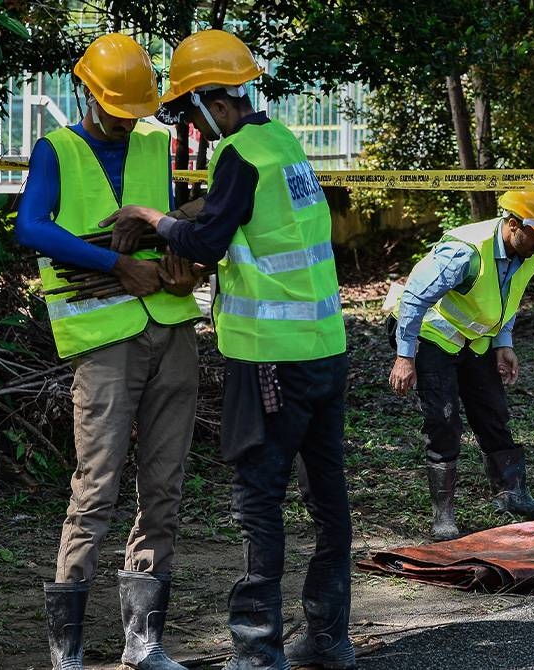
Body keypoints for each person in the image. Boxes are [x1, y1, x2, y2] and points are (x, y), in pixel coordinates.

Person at [99, 30, 355, 670]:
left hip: (269, 357)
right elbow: (240, 218)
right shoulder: (283, 144)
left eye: (190, 109)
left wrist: (151, 219)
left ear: (214, 98)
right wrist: (185, 217)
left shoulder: (239, 152)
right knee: (328, 496)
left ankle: (256, 649)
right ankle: (328, 638)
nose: (192, 123)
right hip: (326, 349)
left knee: (258, 501)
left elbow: (210, 238)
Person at [14, 34, 202, 670]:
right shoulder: (57, 149)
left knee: (165, 487)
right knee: (95, 487)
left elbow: (173, 222)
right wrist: (115, 264)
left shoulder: (154, 141)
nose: (128, 122)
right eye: (118, 110)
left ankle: (142, 644)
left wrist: (183, 267)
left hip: (172, 327)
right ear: (87, 95)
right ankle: (66, 650)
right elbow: (31, 227)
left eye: (135, 111)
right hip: (104, 343)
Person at [388, 191, 534, 541]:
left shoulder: (527, 252)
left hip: (475, 340)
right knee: (444, 419)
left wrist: (504, 344)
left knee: (493, 412)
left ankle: (512, 496)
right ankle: (444, 516)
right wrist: (405, 356)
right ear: (514, 225)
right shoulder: (465, 253)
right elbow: (414, 297)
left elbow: (508, 301)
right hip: (429, 337)